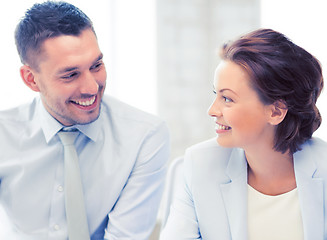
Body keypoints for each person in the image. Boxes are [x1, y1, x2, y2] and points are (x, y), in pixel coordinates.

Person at [0, 1, 170, 239]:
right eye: (70, 75)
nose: (92, 87)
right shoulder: (3, 135)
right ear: (31, 79)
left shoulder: (145, 136)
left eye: (96, 65)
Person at [160, 28, 326, 240]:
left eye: (227, 99)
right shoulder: (200, 164)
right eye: (216, 95)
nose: (212, 110)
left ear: (276, 111)